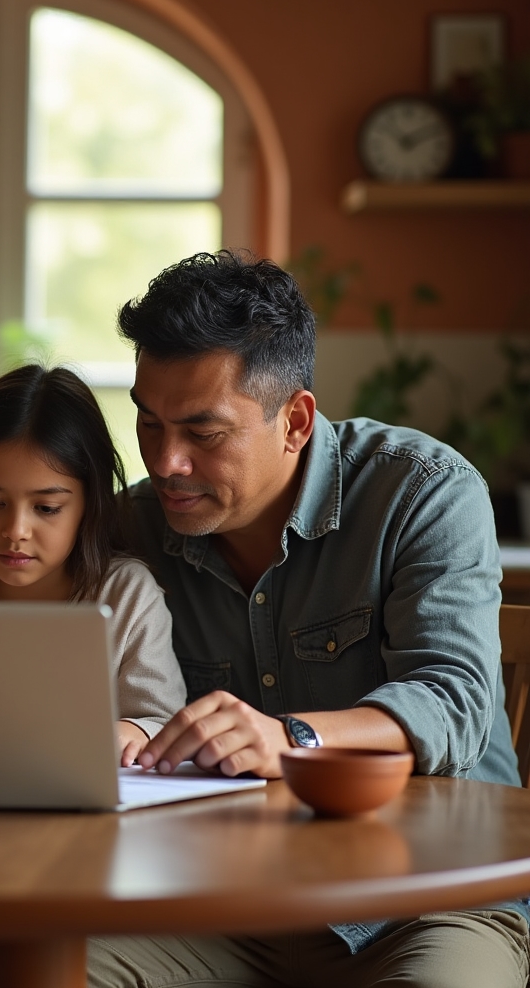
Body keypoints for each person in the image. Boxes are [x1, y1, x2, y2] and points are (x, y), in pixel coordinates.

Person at [86, 250, 530, 988]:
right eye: (148, 421)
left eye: (203, 432)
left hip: (430, 901)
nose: (165, 461)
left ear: (294, 420)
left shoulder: (422, 491)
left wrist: (291, 738)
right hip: (214, 907)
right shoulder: (134, 526)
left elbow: (452, 702)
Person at [0, 364, 187, 987]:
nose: (14, 531)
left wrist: (125, 733)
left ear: (90, 502)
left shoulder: (126, 595)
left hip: (90, 856)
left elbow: (159, 720)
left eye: (47, 507)